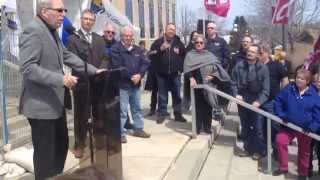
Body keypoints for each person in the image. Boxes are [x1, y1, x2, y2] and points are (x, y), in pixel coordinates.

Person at [18, 0, 104, 179]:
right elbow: (27, 68)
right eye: (59, 10)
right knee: (45, 156)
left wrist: (95, 71)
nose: (63, 14)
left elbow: (67, 56)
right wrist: (61, 79)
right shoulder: (33, 30)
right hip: (41, 107)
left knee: (62, 147)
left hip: (55, 104)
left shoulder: (52, 31)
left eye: (64, 10)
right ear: (44, 11)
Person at [67, 9, 108, 158]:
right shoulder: (73, 39)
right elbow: (74, 60)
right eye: (86, 19)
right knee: (81, 116)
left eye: (91, 19)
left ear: (94, 21)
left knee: (98, 114)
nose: (88, 22)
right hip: (82, 84)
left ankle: (98, 141)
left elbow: (105, 57)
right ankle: (79, 144)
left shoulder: (99, 39)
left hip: (98, 83)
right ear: (81, 20)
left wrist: (100, 69)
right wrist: (91, 71)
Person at [272, 68, 320, 180]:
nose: (298, 80)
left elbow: (318, 115)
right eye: (298, 77)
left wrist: (312, 127)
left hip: (305, 129)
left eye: (302, 79)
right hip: (289, 126)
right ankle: (283, 167)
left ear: (307, 81)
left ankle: (302, 173)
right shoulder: (289, 88)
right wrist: (281, 114)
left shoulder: (314, 95)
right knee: (280, 140)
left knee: (304, 151)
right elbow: (278, 100)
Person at [110, 26, 150, 143]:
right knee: (122, 111)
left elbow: (145, 63)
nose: (128, 38)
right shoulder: (115, 48)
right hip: (123, 86)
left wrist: (140, 75)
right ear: (121, 36)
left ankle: (138, 129)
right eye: (126, 36)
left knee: (137, 108)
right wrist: (131, 76)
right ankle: (120, 133)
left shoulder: (137, 49)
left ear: (132, 36)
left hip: (136, 85)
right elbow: (117, 66)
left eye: (130, 36)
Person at [184, 34, 230, 134]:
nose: (199, 44)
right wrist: (191, 78)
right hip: (195, 87)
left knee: (208, 106)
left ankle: (207, 127)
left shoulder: (210, 55)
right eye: (197, 42)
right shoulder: (190, 55)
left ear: (204, 44)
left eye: (201, 43)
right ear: (194, 43)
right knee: (197, 108)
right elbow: (187, 69)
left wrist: (213, 76)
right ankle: (197, 128)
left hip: (209, 85)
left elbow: (218, 68)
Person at [231, 44, 270, 160]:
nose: (250, 53)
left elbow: (266, 90)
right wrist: (236, 94)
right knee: (245, 126)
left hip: (256, 101)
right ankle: (247, 149)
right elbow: (232, 82)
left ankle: (259, 151)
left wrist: (259, 101)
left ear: (257, 54)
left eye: (253, 52)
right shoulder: (239, 66)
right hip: (242, 100)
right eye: (249, 51)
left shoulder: (263, 68)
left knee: (258, 128)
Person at [149, 23, 187, 124]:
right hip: (161, 74)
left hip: (175, 74)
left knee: (177, 95)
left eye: (173, 30)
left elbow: (185, 56)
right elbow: (150, 55)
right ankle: (162, 114)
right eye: (170, 29)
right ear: (165, 31)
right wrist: (160, 49)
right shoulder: (157, 42)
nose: (172, 31)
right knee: (162, 95)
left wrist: (181, 69)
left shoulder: (179, 43)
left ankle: (178, 114)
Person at [258, 45, 289, 158]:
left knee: (275, 127)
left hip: (272, 102)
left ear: (267, 53)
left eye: (260, 53)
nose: (258, 55)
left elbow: (285, 80)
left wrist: (282, 97)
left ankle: (276, 152)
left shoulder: (276, 65)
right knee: (260, 127)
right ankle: (263, 150)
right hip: (258, 101)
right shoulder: (256, 66)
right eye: (258, 53)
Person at [182, 31, 199, 113]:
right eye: (194, 35)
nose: (195, 37)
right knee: (188, 90)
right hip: (189, 71)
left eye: (197, 35)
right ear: (191, 36)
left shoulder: (199, 45)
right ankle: (187, 105)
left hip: (197, 72)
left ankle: (195, 105)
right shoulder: (189, 47)